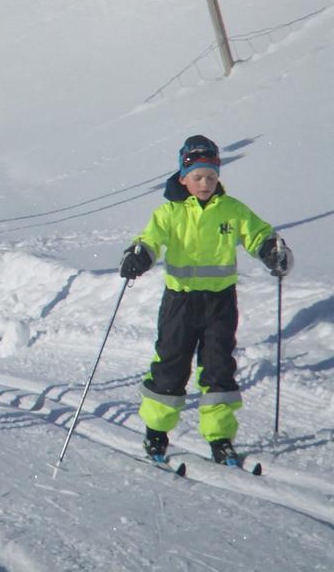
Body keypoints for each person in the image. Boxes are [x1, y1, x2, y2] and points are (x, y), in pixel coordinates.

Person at [120, 135, 293, 466]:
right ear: (183, 178)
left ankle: (220, 437)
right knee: (171, 365)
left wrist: (272, 251)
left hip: (220, 302)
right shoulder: (170, 212)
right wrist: (140, 254)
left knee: (218, 368)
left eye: (211, 177)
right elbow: (150, 239)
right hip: (180, 302)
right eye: (198, 177)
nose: (205, 183)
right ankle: (156, 431)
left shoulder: (232, 209)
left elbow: (258, 233)